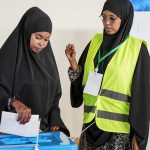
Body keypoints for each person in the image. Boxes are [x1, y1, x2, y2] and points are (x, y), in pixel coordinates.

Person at [65, 0, 150, 149]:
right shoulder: (95, 43)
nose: (106, 22)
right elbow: (80, 86)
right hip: (89, 129)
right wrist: (73, 64)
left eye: (112, 18)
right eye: (103, 17)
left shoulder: (137, 49)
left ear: (124, 18)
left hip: (118, 134)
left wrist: (139, 136)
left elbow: (143, 96)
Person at [0, 7, 69, 136]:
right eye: (38, 37)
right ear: (27, 31)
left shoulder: (47, 59)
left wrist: (54, 119)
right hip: (12, 132)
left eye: (46, 39)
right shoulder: (7, 56)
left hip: (42, 132)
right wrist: (14, 102)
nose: (42, 44)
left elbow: (55, 94)